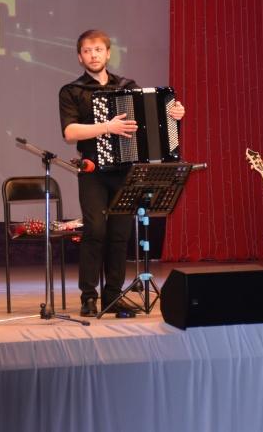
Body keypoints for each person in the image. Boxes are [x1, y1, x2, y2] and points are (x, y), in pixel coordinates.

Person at [59, 29, 185, 317]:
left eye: (98, 50)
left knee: (119, 233)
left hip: (125, 171)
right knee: (95, 230)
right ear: (80, 57)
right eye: (87, 51)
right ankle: (88, 296)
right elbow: (69, 132)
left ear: (108, 54)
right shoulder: (72, 91)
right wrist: (107, 127)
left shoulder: (128, 86)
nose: (93, 55)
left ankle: (113, 294)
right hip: (92, 170)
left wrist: (173, 114)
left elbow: (151, 119)